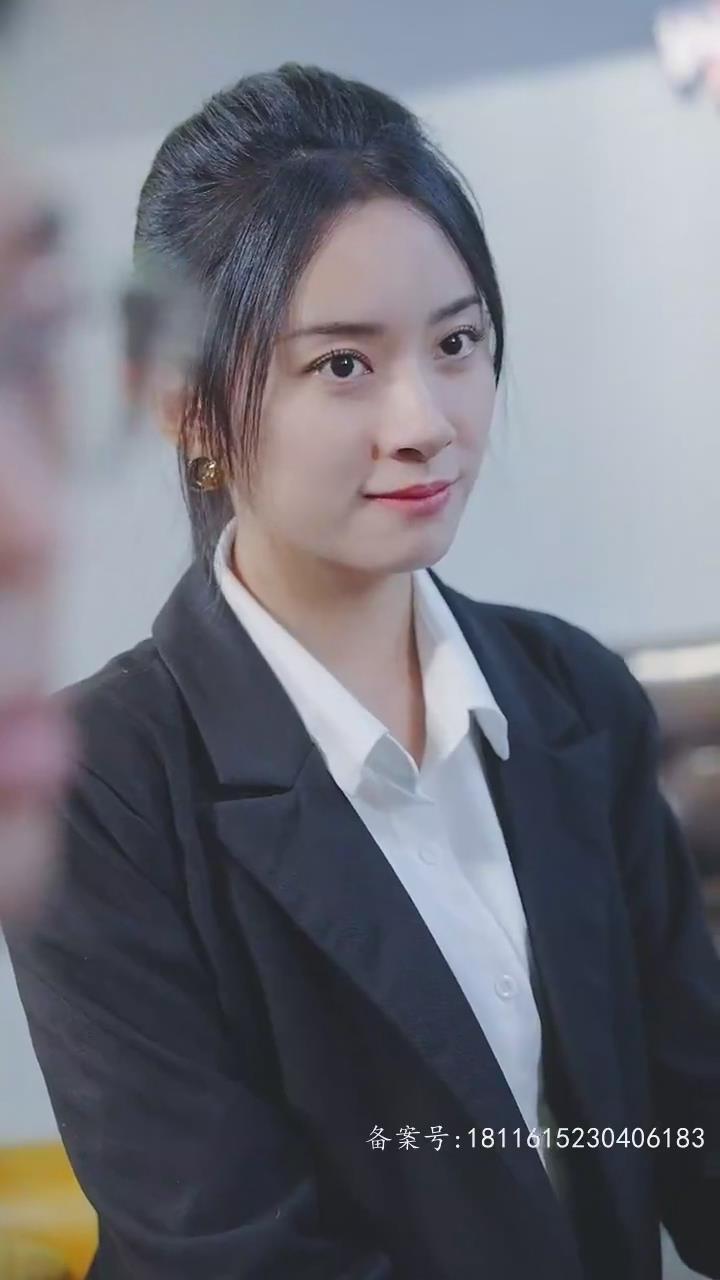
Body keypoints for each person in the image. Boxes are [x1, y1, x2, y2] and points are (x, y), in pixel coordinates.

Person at [6, 62, 720, 1280]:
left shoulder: (572, 693)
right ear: (185, 404)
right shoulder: (105, 785)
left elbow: (694, 1132)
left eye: (457, 342)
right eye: (343, 364)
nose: (425, 420)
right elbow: (232, 1250)